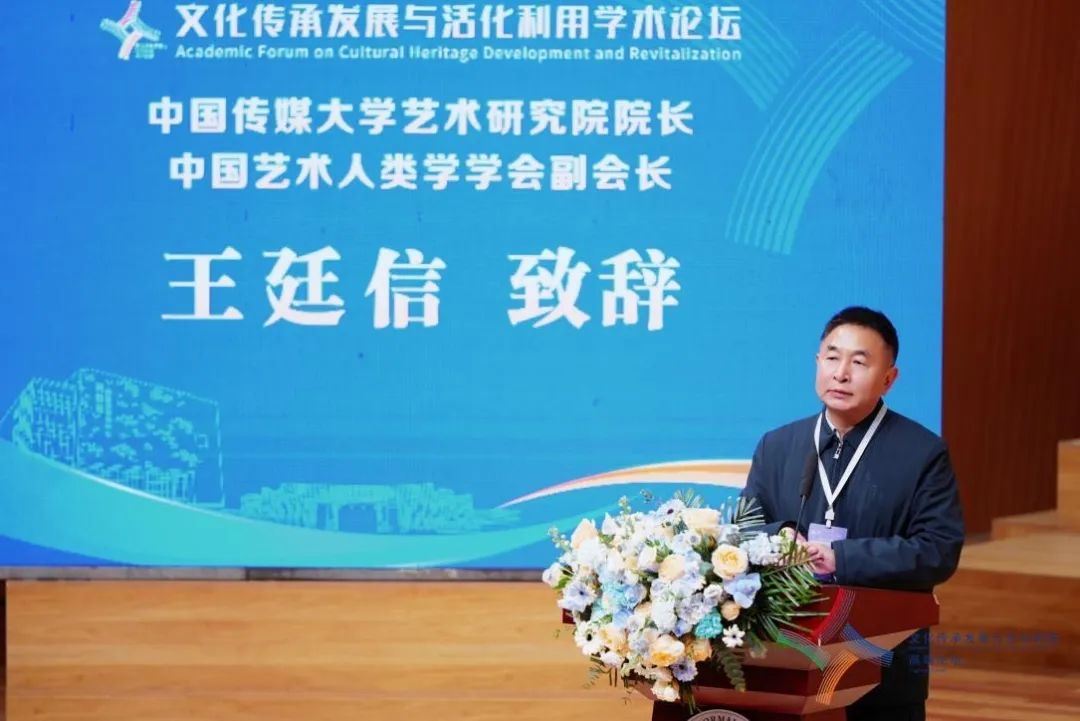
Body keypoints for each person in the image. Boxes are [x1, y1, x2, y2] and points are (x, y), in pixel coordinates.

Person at [741, 306, 965, 721]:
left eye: (859, 362)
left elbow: (938, 550)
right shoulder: (777, 445)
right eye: (832, 357)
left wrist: (842, 558)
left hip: (881, 663)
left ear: (889, 378)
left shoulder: (922, 453)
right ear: (817, 362)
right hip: (782, 660)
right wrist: (780, 536)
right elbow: (743, 527)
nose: (841, 373)